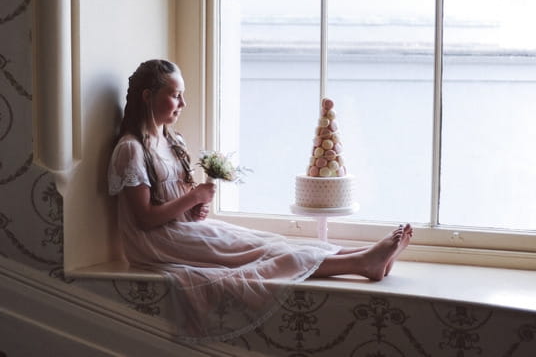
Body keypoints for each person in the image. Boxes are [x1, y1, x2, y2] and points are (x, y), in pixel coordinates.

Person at [108, 59, 413, 343]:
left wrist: (197, 206)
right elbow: (144, 219)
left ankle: (365, 255)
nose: (183, 104)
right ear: (148, 96)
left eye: (182, 95)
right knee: (263, 254)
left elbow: (182, 203)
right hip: (157, 242)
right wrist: (193, 196)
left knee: (269, 241)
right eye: (175, 95)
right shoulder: (131, 149)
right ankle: (361, 263)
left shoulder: (173, 141)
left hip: (180, 231)